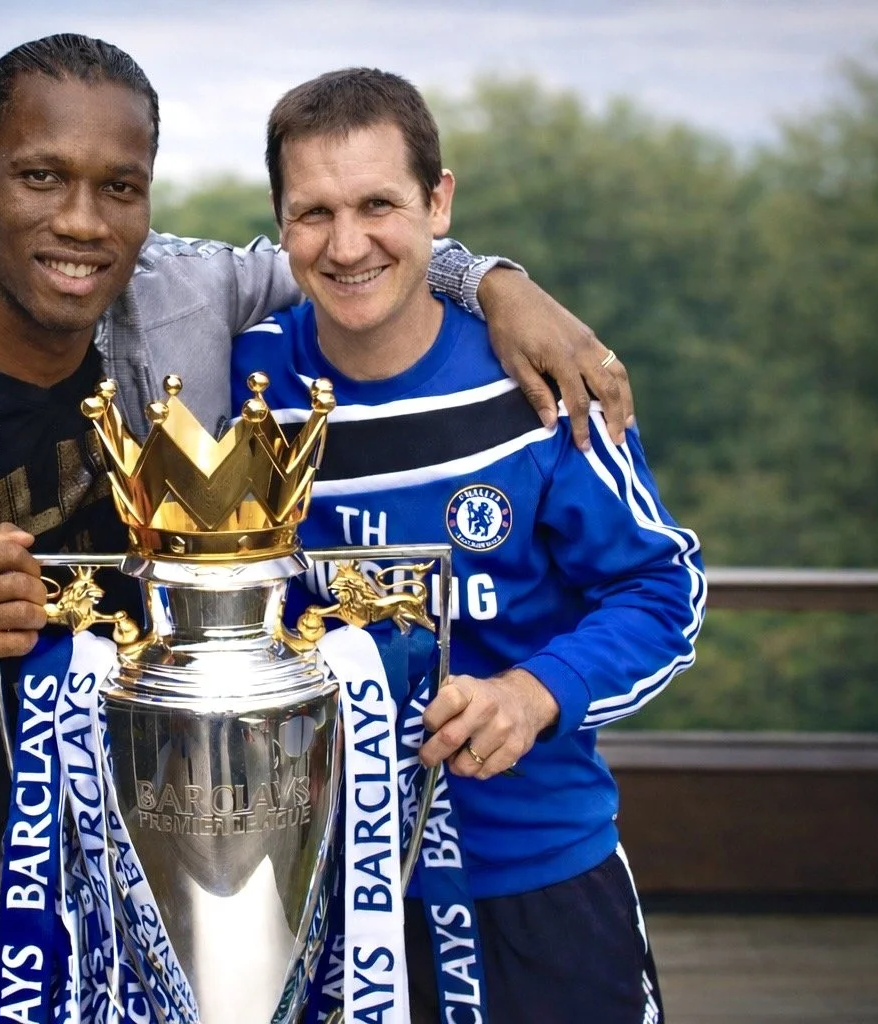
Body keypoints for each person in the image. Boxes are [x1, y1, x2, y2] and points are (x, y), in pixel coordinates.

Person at [0, 35, 629, 1024]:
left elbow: (356, 249)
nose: (83, 221)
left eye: (121, 187)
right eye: (41, 177)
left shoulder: (181, 300)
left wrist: (504, 287)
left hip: (115, 882)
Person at [223, 68, 705, 1022]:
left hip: (535, 869)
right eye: (313, 212)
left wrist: (532, 695)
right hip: (321, 891)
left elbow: (664, 592)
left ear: (439, 203)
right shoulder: (247, 379)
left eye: (378, 204)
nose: (347, 243)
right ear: (279, 224)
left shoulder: (540, 382)